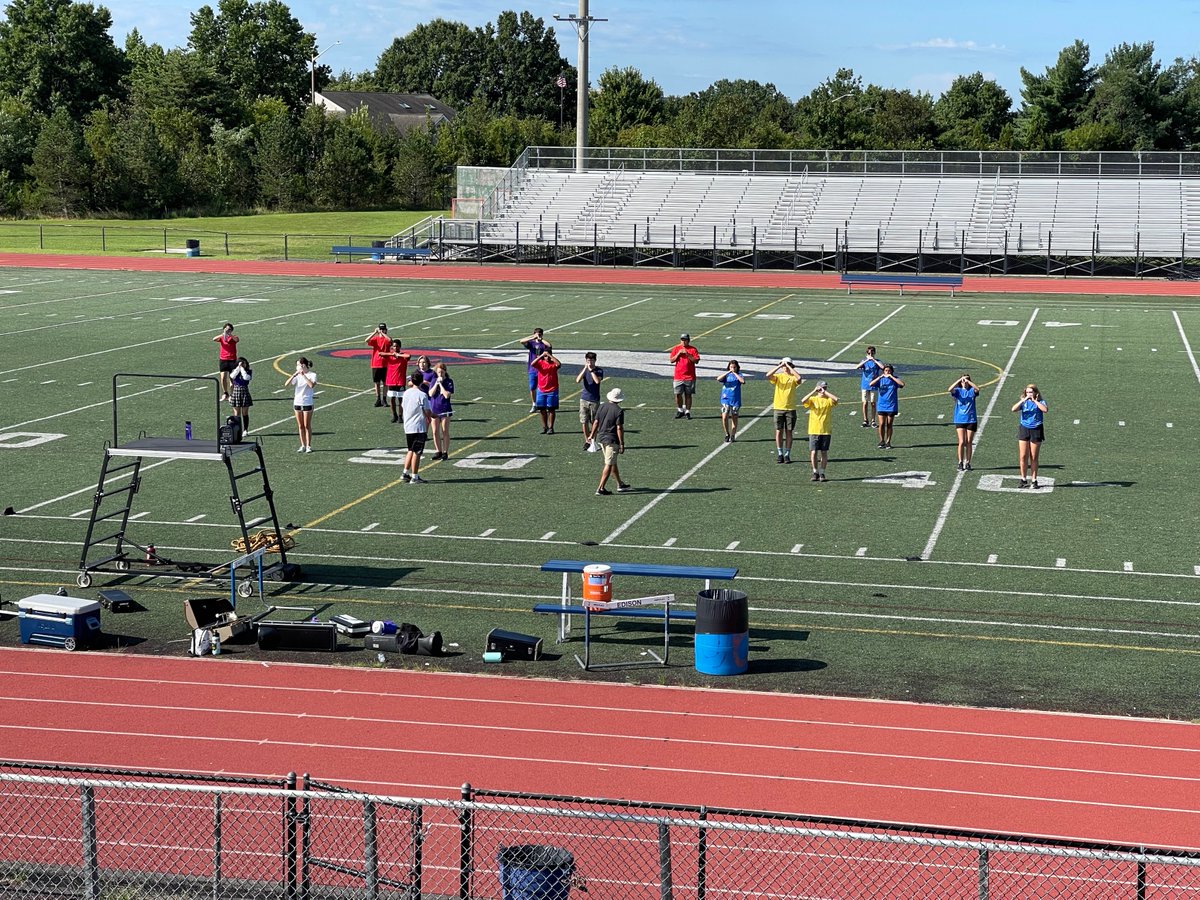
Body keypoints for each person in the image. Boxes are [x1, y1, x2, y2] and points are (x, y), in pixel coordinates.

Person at [588, 387, 632, 495]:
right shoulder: (618, 411)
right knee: (609, 463)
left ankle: (620, 484)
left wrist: (592, 435)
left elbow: (596, 422)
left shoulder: (602, 406)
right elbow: (619, 428)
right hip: (612, 440)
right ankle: (601, 488)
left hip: (602, 438)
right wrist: (622, 443)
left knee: (612, 462)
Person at [801, 380, 840, 482]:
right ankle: (815, 472)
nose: (823, 390)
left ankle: (822, 472)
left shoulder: (828, 400)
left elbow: (836, 399)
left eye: (825, 388)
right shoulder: (813, 399)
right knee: (813, 452)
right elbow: (803, 400)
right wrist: (814, 390)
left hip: (825, 430)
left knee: (824, 452)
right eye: (822, 388)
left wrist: (825, 392)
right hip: (814, 429)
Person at [766, 358, 803, 463]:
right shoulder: (778, 377)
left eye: (787, 365)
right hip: (778, 407)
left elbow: (799, 378)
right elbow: (768, 375)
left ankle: (787, 454)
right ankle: (780, 453)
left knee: (789, 432)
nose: (785, 367)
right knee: (778, 431)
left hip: (790, 408)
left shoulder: (793, 377)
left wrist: (790, 367)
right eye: (783, 365)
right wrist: (780, 366)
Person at [1012, 383, 1048, 489]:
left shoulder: (1040, 401)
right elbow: (1013, 409)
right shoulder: (1024, 402)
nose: (1029, 394)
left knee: (1034, 456)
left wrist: (1035, 400)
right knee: (1023, 456)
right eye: (1027, 392)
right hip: (1024, 428)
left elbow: (1045, 410)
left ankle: (1034, 480)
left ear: (1035, 393)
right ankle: (1023, 479)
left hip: (1036, 429)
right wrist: (1023, 400)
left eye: (1031, 392)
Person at [401, 371, 433, 483]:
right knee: (417, 452)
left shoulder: (406, 393)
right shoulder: (422, 395)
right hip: (418, 427)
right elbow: (428, 411)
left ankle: (405, 473)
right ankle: (414, 476)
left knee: (410, 449)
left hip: (408, 426)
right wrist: (435, 415)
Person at [284, 357, 316, 453]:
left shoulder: (312, 375)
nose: (297, 366)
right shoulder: (297, 376)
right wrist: (294, 375)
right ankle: (302, 445)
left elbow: (311, 385)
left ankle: (308, 446)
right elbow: (286, 384)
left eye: (298, 365)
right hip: (297, 402)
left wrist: (303, 376)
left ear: (303, 365)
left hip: (307, 402)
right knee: (300, 426)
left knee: (307, 425)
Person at [870, 365, 905, 450]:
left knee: (889, 424)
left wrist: (891, 377)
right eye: (886, 370)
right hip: (881, 405)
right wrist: (880, 377)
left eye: (889, 371)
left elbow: (902, 384)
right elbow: (871, 384)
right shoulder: (881, 379)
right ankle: (881, 440)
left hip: (891, 405)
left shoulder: (894, 379)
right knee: (881, 424)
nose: (887, 372)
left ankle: (888, 442)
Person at [949, 374, 980, 471]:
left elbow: (977, 389)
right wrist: (959, 380)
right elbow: (949, 389)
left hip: (971, 419)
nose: (964, 381)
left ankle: (968, 462)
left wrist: (968, 382)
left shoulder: (971, 391)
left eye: (966, 380)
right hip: (960, 419)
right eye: (963, 380)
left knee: (969, 442)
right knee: (961, 441)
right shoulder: (958, 391)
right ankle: (960, 462)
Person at [575, 352, 604, 450]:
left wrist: (591, 371)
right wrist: (585, 369)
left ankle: (593, 440)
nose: (589, 362)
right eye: (588, 360)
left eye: (591, 360)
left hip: (594, 400)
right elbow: (578, 380)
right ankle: (587, 440)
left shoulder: (599, 370)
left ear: (595, 360)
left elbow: (597, 381)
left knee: (594, 421)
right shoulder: (584, 370)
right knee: (584, 421)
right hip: (584, 399)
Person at [668, 333, 700, 419]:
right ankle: (680, 410)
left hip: (690, 376)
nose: (683, 341)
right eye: (682, 340)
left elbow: (696, 361)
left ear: (688, 340)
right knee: (678, 394)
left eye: (685, 340)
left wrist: (687, 354)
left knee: (688, 394)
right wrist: (678, 353)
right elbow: (671, 360)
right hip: (678, 376)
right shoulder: (676, 348)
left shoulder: (693, 349)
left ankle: (687, 411)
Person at [520, 328, 552, 412]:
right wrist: (533, 337)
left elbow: (549, 345)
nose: (538, 335)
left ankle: (543, 404)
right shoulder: (531, 343)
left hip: (542, 368)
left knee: (542, 387)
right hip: (532, 368)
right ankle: (534, 404)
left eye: (540, 334)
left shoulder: (543, 344)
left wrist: (541, 339)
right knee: (532, 387)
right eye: (537, 334)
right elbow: (521, 341)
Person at [530, 349, 562, 434]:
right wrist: (541, 356)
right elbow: (532, 364)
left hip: (552, 390)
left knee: (551, 409)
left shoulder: (553, 364)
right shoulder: (540, 363)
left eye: (548, 356)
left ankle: (551, 427)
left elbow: (559, 364)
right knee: (542, 409)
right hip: (541, 390)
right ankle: (544, 427)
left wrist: (550, 356)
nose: (546, 357)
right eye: (545, 356)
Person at [380, 339, 410, 424]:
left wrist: (398, 355)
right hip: (391, 381)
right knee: (392, 399)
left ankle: (400, 416)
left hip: (400, 381)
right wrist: (392, 354)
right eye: (393, 346)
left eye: (397, 346)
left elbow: (408, 356)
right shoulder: (390, 355)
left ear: (400, 347)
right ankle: (394, 415)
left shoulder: (403, 356)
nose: (395, 347)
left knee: (401, 400)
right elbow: (380, 353)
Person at [428, 362, 454, 460]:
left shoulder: (449, 381)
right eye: (438, 372)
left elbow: (447, 395)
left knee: (444, 431)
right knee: (435, 432)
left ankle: (445, 452)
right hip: (434, 410)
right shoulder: (433, 380)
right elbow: (430, 394)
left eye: (442, 372)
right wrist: (436, 384)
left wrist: (441, 385)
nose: (440, 374)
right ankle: (438, 451)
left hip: (445, 409)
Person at [715, 360, 745, 442]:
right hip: (725, 399)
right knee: (724, 417)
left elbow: (742, 381)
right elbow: (718, 379)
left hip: (735, 400)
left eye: (734, 367)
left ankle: (733, 435)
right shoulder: (727, 376)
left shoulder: (739, 375)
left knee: (734, 417)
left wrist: (735, 373)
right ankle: (727, 434)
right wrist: (728, 372)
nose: (732, 368)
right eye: (731, 367)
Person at [856, 345, 883, 428]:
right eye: (868, 353)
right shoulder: (865, 361)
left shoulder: (877, 361)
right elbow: (857, 367)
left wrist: (874, 360)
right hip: (865, 385)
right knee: (864, 403)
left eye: (872, 352)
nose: (870, 354)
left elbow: (882, 367)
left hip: (874, 385)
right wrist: (866, 360)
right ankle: (865, 420)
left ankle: (873, 420)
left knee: (873, 403)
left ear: (874, 353)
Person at [365, 324, 391, 407]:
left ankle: (384, 399)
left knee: (385, 383)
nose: (382, 330)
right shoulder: (376, 338)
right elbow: (366, 340)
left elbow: (390, 340)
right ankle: (378, 399)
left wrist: (382, 333)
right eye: (381, 329)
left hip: (385, 364)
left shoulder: (386, 339)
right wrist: (374, 332)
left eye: (383, 329)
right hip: (376, 363)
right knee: (377, 382)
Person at [212, 323, 239, 402]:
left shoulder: (234, 337)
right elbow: (213, 339)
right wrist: (223, 334)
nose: (228, 331)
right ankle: (225, 393)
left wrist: (230, 335)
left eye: (229, 329)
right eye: (226, 329)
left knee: (232, 378)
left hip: (232, 360)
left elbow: (236, 340)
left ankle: (232, 395)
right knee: (223, 378)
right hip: (223, 359)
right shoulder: (221, 338)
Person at [229, 357, 253, 436]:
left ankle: (245, 430)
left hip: (244, 391)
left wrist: (242, 369)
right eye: (241, 363)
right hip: (236, 392)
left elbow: (246, 378)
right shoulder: (235, 371)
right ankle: (237, 430)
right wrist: (238, 368)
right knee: (236, 413)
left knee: (245, 413)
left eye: (244, 363)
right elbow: (232, 376)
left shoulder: (248, 371)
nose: (243, 365)